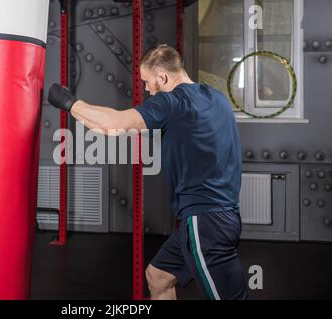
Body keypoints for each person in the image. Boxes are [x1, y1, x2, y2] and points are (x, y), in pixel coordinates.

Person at [47, 44, 249, 300]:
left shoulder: (172, 101)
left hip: (206, 221)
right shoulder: (216, 97)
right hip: (216, 216)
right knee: (158, 276)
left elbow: (112, 126)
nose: (146, 89)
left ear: (163, 77)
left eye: (147, 82)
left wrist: (67, 102)